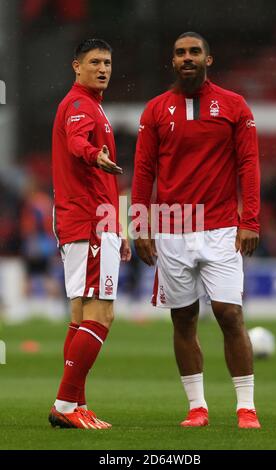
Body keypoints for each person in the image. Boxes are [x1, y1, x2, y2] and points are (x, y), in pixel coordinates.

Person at [132, 32, 261, 429]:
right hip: (172, 230)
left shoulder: (235, 106)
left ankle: (246, 407)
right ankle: (197, 407)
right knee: (183, 318)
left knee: (229, 314)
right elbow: (143, 172)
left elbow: (249, 165)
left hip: (221, 227)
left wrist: (249, 220)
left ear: (209, 59)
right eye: (180, 53)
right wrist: (140, 226)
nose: (187, 58)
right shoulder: (155, 111)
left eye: (194, 52)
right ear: (172, 61)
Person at [50, 38, 131, 429]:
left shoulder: (87, 105)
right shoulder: (82, 106)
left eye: (108, 63)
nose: (103, 68)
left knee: (82, 313)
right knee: (102, 314)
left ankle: (76, 404)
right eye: (95, 62)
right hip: (90, 221)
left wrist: (120, 225)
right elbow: (77, 141)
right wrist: (92, 153)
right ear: (76, 66)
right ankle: (65, 406)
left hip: (89, 220)